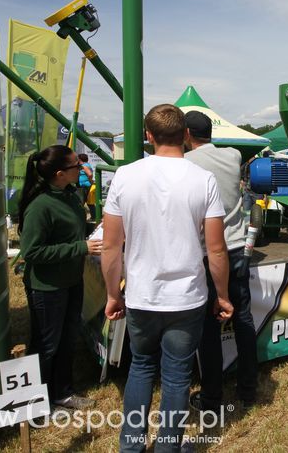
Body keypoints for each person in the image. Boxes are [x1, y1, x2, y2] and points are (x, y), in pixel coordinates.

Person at [101, 104, 234, 451]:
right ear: (186, 135)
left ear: (148, 136)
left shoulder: (125, 176)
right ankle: (168, 447)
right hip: (187, 296)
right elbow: (217, 250)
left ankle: (131, 446)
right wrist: (222, 294)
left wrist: (113, 294)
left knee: (142, 367)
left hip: (142, 295)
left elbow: (112, 246)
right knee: (177, 376)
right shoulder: (202, 179)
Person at [184, 111, 259, 412]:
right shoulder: (233, 155)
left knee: (208, 327)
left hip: (207, 252)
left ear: (187, 134)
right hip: (238, 247)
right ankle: (248, 389)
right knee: (243, 319)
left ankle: (212, 397)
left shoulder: (186, 164)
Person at [18, 144, 101, 410]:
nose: (81, 168)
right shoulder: (40, 206)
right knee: (46, 345)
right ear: (59, 173)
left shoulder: (70, 195)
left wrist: (94, 230)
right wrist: (81, 247)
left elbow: (72, 230)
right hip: (47, 287)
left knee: (67, 339)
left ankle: (62, 392)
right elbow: (32, 251)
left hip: (70, 281)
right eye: (76, 165)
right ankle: (35, 403)